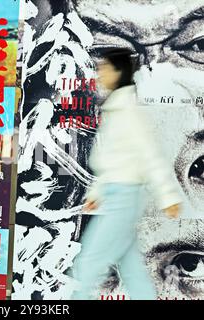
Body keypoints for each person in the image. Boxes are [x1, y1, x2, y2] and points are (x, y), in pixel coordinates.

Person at [70, 49, 182, 300]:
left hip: (123, 196)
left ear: (118, 73)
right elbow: (110, 161)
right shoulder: (115, 110)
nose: (100, 73)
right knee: (131, 269)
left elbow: (150, 157)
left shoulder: (127, 113)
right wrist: (97, 193)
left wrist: (168, 196)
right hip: (117, 194)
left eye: (105, 68)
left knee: (88, 263)